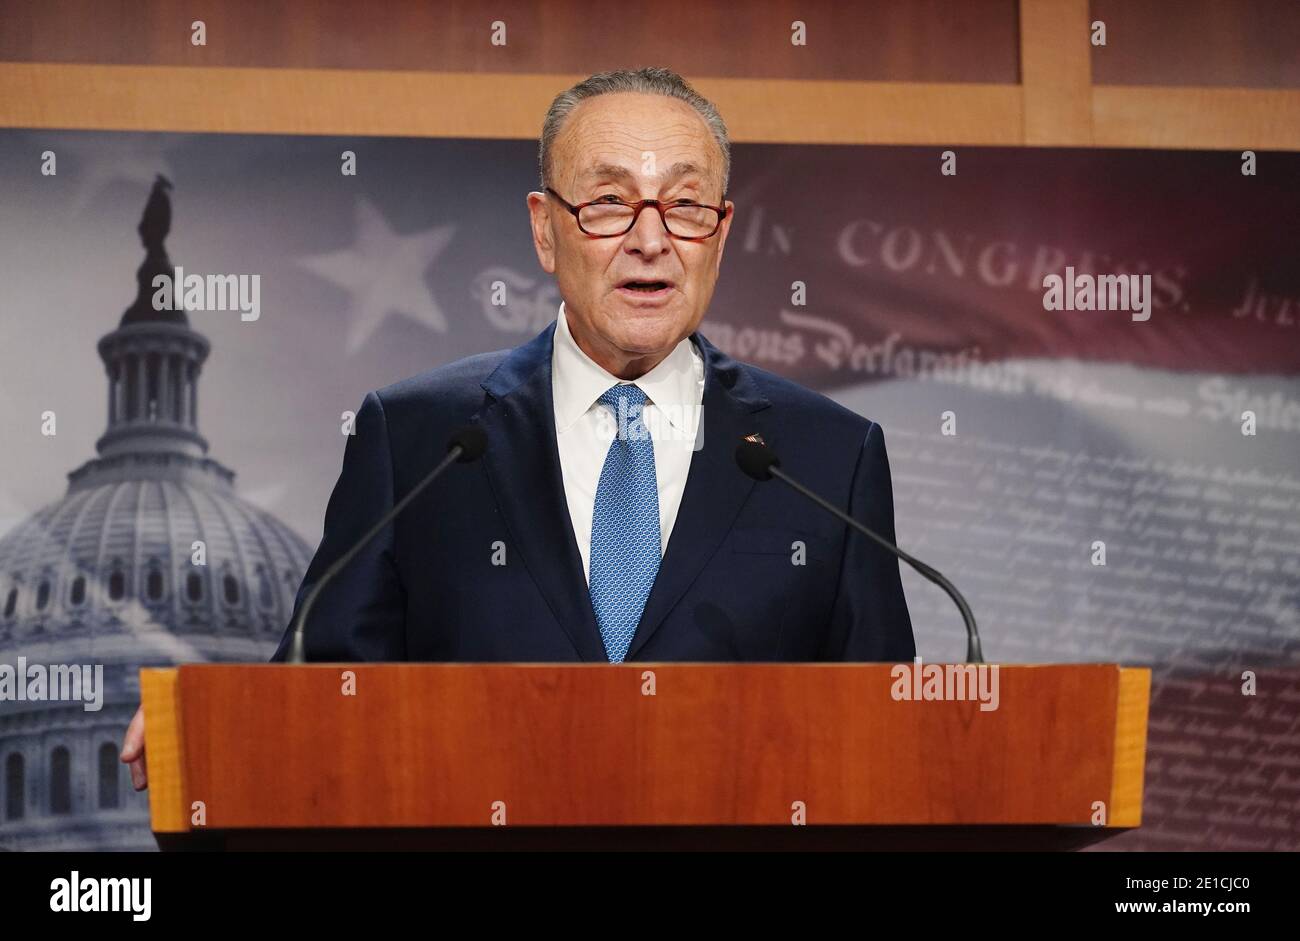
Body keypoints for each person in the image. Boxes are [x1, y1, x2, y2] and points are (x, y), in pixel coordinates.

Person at [121, 66, 913, 790]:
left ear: (722, 232)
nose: (650, 238)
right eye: (608, 202)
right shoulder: (418, 438)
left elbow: (882, 735)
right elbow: (329, 683)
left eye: (685, 204)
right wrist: (218, 725)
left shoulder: (824, 457)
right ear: (544, 228)